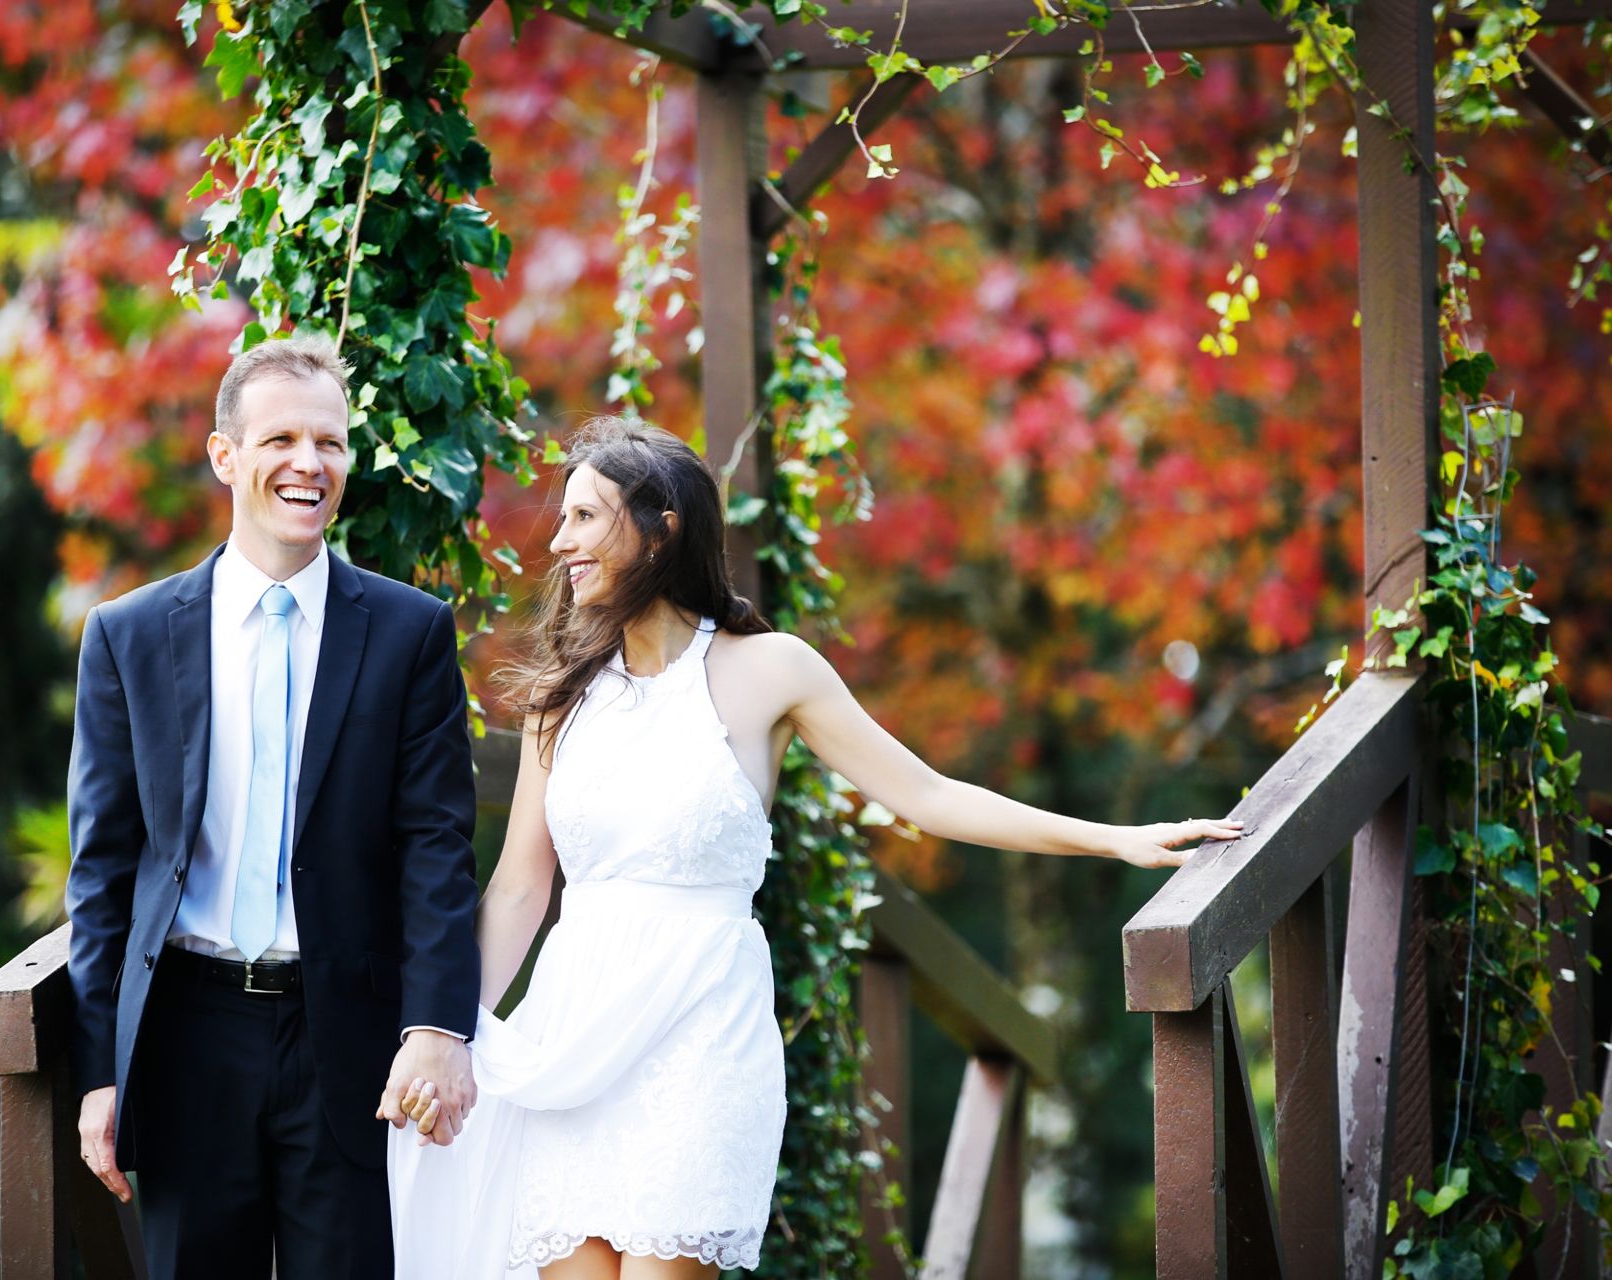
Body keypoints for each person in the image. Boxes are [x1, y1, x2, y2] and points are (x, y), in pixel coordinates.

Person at [384, 417, 1244, 1279]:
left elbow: (928, 795)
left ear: (661, 529)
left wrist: (1116, 840)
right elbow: (517, 892)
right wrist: (444, 1033)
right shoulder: (561, 700)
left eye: (584, 517)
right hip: (570, 1031)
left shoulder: (772, 670)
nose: (560, 543)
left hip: (698, 1032)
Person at [64, 334, 482, 1279]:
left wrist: (437, 1027)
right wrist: (98, 1073)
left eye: (330, 442)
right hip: (187, 1037)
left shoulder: (411, 632)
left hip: (350, 1041)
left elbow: (436, 845)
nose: (310, 464)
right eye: (281, 440)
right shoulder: (129, 637)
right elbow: (101, 873)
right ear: (226, 456)